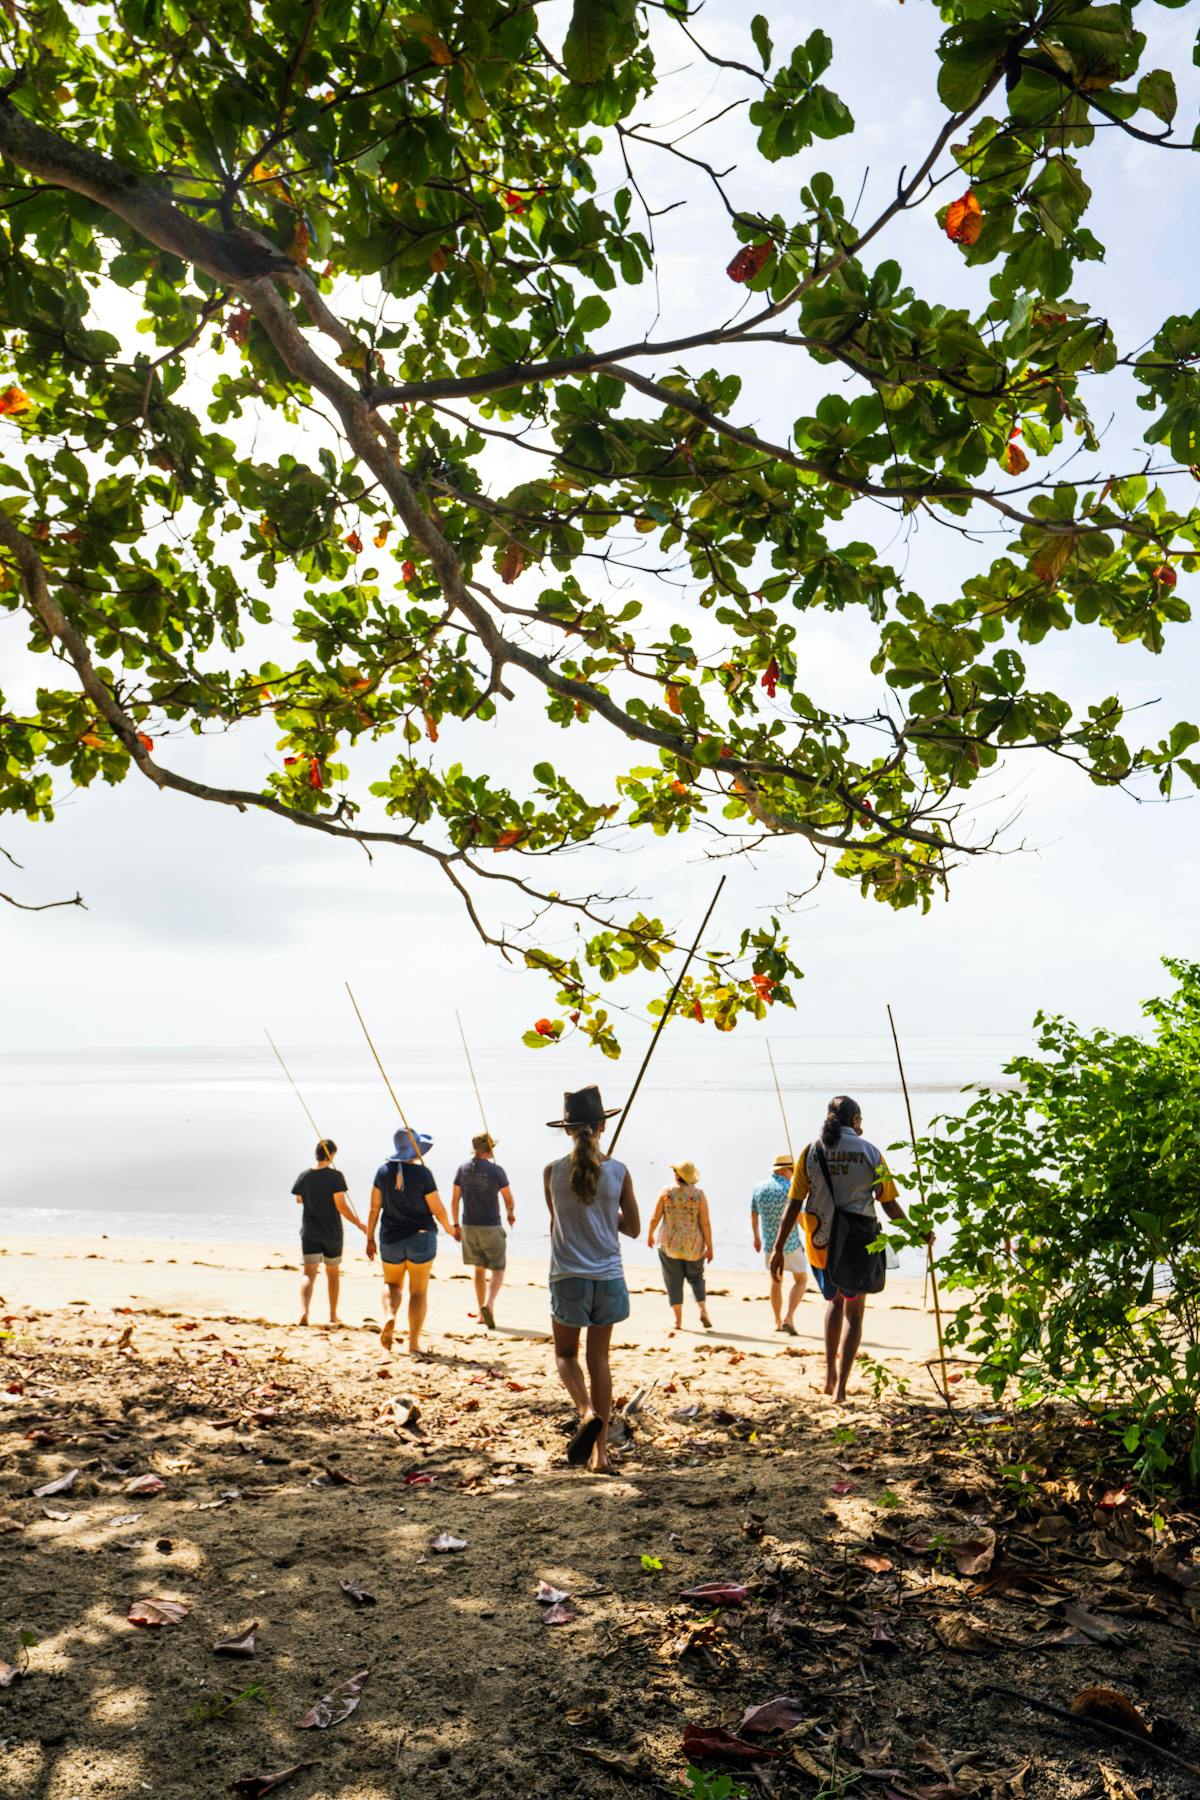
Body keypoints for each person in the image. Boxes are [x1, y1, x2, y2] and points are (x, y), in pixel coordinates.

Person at [771, 1095, 916, 1402]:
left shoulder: (811, 1151)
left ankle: (828, 1378)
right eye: (860, 1120)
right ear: (855, 1120)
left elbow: (793, 1204)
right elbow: (888, 1203)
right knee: (854, 1312)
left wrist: (778, 1248)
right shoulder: (870, 1152)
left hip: (820, 1242)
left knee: (834, 1304)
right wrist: (915, 1232)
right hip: (857, 1243)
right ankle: (840, 1390)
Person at [543, 1085, 639, 1473]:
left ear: (568, 1130)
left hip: (567, 1275)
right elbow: (631, 1227)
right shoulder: (618, 1171)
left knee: (566, 1355)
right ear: (602, 1125)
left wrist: (590, 1211)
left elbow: (557, 1221)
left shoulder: (551, 1172)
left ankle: (585, 1412)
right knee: (599, 1358)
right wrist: (606, 1213)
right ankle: (600, 1455)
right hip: (608, 1276)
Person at [366, 1126, 459, 1355]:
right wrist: (451, 1229)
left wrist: (369, 1238)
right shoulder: (423, 1174)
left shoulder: (383, 1171)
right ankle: (414, 1343)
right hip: (421, 1237)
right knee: (418, 1292)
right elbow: (436, 1208)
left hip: (390, 1237)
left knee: (392, 1284)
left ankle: (390, 1316)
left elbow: (374, 1209)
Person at [291, 1139, 367, 1327]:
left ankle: (304, 1312)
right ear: (331, 1154)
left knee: (309, 1273)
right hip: (331, 1231)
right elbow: (341, 1206)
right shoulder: (335, 1176)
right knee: (332, 1273)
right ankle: (333, 1315)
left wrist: (314, 1197)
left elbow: (299, 1200)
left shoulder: (304, 1176)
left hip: (309, 1231)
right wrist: (359, 1224)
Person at [451, 1133, 516, 1329]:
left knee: (478, 1269)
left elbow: (455, 1200)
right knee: (498, 1268)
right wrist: (510, 1215)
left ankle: (481, 1312)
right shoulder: (497, 1171)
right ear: (490, 1149)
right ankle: (489, 1304)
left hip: (469, 1225)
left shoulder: (462, 1169)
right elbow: (509, 1200)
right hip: (491, 1225)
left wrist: (455, 1226)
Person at [646, 1159, 713, 1332]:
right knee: (697, 1278)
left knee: (673, 1280)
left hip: (669, 1243)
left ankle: (678, 1321)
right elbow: (705, 1223)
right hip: (694, 1244)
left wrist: (650, 1234)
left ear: (677, 1175)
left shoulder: (666, 1191)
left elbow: (655, 1216)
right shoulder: (699, 1194)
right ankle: (702, 1309)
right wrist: (710, 1246)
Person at [751, 1152, 808, 1335]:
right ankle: (789, 1317)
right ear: (785, 1170)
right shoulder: (791, 1189)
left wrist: (756, 1237)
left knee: (776, 1280)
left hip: (770, 1244)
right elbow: (800, 1218)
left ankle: (776, 1321)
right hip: (790, 1243)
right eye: (792, 1170)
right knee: (801, 1279)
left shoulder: (759, 1188)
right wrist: (811, 1235)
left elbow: (753, 1214)